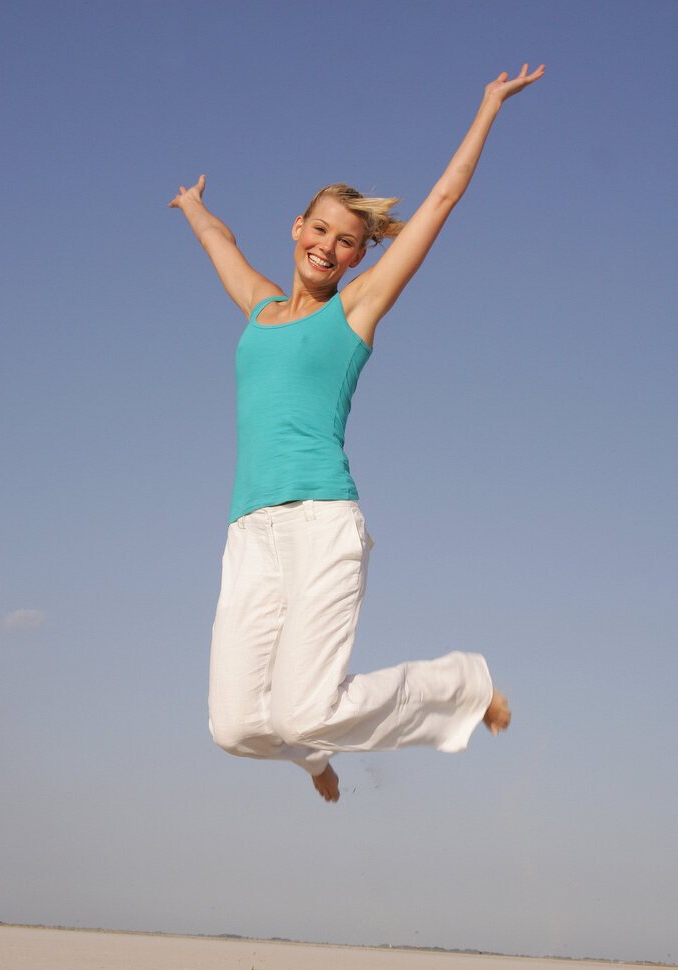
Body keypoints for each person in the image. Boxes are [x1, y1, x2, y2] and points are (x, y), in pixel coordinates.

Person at [170, 64, 545, 803]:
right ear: (298, 228)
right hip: (250, 530)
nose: (328, 247)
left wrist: (487, 106)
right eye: (319, 229)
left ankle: (460, 685)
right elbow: (220, 244)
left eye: (346, 241)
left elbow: (440, 199)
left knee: (305, 705)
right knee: (235, 727)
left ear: (359, 257)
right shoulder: (259, 307)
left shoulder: (355, 313)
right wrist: (191, 206)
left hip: (321, 522)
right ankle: (314, 756)